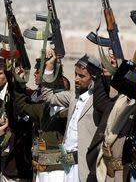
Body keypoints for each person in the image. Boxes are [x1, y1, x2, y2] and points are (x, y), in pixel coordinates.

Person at [40, 51, 101, 182]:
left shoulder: (98, 101)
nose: (76, 79)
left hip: (84, 165)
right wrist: (49, 67)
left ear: (93, 78)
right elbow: (48, 96)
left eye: (82, 76)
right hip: (68, 164)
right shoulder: (73, 96)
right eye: (75, 75)